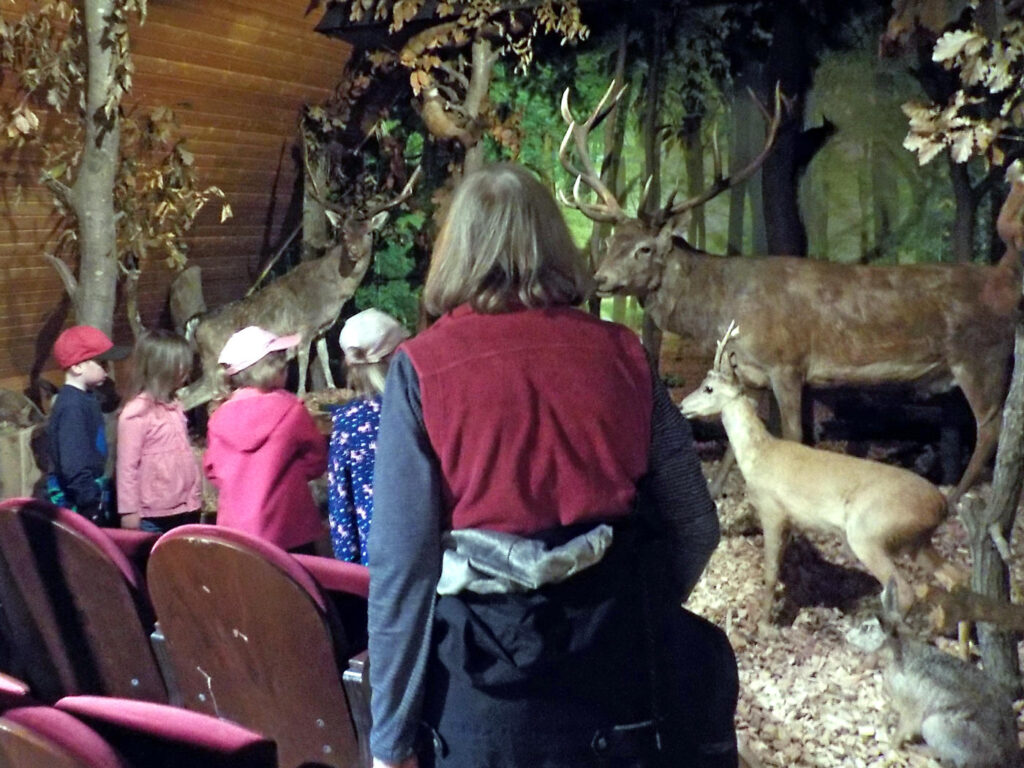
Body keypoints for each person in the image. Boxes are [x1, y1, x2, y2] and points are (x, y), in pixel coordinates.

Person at [368, 163, 738, 768]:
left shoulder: (421, 368)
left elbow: (402, 568)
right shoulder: (624, 355)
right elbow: (695, 522)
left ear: (456, 250)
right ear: (554, 245)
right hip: (615, 693)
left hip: (479, 704)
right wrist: (635, 610)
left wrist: (389, 740)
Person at [203, 325, 327, 554]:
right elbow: (317, 459)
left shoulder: (218, 418)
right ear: (272, 368)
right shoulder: (291, 410)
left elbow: (212, 469)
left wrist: (240, 482)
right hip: (290, 528)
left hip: (236, 533)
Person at [327, 308, 409, 564]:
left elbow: (340, 501)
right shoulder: (418, 412)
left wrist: (346, 564)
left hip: (373, 559)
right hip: (428, 554)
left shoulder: (346, 422)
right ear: (399, 355)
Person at [116, 329, 202, 533]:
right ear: (162, 367)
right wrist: (129, 512)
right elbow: (127, 467)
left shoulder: (175, 404)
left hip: (187, 506)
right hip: (155, 514)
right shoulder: (136, 412)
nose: (187, 370)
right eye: (181, 364)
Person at [46, 325, 128, 526]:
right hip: (78, 503)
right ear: (77, 367)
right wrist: (89, 503)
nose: (107, 371)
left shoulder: (85, 398)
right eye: (102, 363)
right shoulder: (72, 407)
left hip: (91, 492)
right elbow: (73, 463)